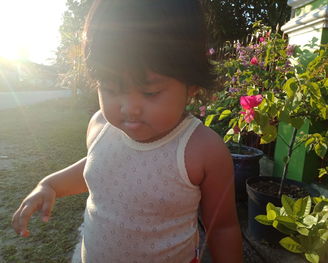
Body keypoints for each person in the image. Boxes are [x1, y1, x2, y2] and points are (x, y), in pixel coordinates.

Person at [12, 0, 243, 262]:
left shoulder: (202, 150)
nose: (129, 108)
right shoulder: (100, 126)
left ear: (191, 85)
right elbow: (99, 167)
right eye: (111, 88)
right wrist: (50, 185)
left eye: (150, 92)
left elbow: (223, 227)